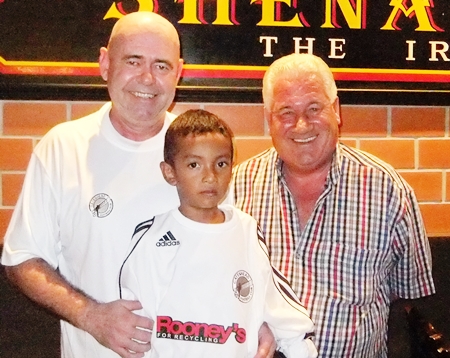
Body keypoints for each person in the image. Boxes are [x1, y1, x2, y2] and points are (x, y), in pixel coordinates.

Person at [1, 12, 274, 358]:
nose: (147, 78)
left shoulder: (203, 151)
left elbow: (231, 259)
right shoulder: (62, 148)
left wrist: (257, 317)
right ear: (105, 63)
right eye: (133, 61)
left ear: (179, 72)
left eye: (161, 66)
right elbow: (22, 258)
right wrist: (91, 316)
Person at [231, 53, 435, 358]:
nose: (301, 125)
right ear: (268, 118)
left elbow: (408, 299)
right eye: (286, 112)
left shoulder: (388, 190)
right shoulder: (236, 187)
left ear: (336, 110)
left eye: (314, 108)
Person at [118, 109, 317, 357]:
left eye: (220, 164)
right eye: (194, 165)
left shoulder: (246, 232)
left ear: (231, 169)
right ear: (170, 172)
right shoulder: (151, 237)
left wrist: (299, 349)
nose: (210, 177)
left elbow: (280, 307)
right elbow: (134, 323)